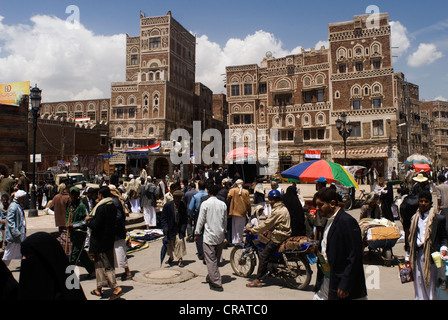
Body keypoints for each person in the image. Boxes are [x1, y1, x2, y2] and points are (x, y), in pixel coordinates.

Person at [313, 187, 367, 300]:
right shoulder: (328, 221)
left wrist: (345, 283)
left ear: (332, 203)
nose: (317, 208)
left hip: (342, 283)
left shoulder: (347, 222)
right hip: (327, 279)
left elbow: (355, 255)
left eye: (320, 205)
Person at [19, 232, 86, 300]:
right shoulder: (28, 287)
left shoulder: (70, 290)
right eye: (24, 257)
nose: (24, 261)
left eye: (28, 257)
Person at [246, 189, 291, 287]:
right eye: (269, 200)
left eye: (271, 200)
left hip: (278, 237)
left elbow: (266, 224)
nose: (270, 202)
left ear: (276, 200)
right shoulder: (284, 208)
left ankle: (258, 279)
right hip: (285, 234)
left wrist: (253, 230)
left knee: (263, 255)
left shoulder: (277, 211)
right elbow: (275, 223)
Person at [408, 190, 448, 300]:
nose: (423, 203)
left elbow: (444, 237)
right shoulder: (414, 218)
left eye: (426, 201)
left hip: (431, 256)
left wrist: (443, 248)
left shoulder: (438, 219)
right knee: (419, 282)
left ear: (430, 203)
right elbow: (412, 237)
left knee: (431, 284)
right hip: (417, 254)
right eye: (421, 201)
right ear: (418, 202)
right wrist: (408, 254)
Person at [85, 187, 123, 300]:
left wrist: (88, 220)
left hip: (100, 241)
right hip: (109, 239)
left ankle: (116, 288)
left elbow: (96, 225)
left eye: (98, 195)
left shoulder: (101, 208)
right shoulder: (112, 205)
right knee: (99, 265)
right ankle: (99, 288)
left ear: (101, 195)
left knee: (106, 265)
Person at [194, 184, 227, 292]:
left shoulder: (205, 204)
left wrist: (197, 233)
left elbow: (201, 220)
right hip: (219, 236)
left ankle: (216, 283)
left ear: (208, 192)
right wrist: (224, 232)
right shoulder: (222, 204)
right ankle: (211, 276)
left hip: (209, 236)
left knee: (211, 261)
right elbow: (225, 221)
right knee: (215, 259)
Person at [66, 187, 95, 278]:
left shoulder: (82, 206)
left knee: (74, 253)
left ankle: (69, 274)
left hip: (80, 232)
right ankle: (92, 270)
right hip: (73, 233)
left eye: (75, 194)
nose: (74, 196)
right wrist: (67, 223)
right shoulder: (70, 206)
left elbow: (86, 220)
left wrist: (74, 225)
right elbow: (67, 216)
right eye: (72, 194)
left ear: (78, 194)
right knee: (81, 253)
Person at [109, 185, 132, 281]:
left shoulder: (115, 201)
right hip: (117, 231)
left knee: (120, 252)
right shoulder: (115, 201)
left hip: (117, 232)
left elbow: (118, 217)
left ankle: (127, 272)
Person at [161, 190, 188, 267]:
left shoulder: (183, 205)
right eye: (177, 198)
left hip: (179, 229)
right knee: (169, 245)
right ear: (174, 198)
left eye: (180, 198)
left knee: (179, 243)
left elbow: (185, 218)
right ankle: (171, 257)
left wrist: (183, 228)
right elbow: (163, 218)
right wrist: (165, 227)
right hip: (170, 228)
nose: (178, 200)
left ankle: (180, 259)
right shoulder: (167, 206)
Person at [2, 190, 27, 267]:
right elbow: (10, 221)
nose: (24, 200)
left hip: (19, 234)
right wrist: (16, 232)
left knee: (22, 251)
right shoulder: (13, 206)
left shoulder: (18, 206)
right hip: (15, 235)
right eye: (23, 198)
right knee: (8, 253)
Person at [227, 179, 251, 245]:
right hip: (242, 212)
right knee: (241, 227)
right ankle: (239, 240)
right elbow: (248, 203)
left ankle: (235, 240)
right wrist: (249, 212)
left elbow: (228, 197)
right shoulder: (246, 192)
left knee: (235, 227)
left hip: (234, 211)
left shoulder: (232, 190)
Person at [189, 180, 208, 259]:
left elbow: (190, 208)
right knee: (206, 232)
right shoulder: (208, 195)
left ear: (198, 187)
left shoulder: (195, 196)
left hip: (198, 215)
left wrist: (191, 216)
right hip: (207, 215)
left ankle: (200, 252)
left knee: (198, 233)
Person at [50, 183, 71, 249]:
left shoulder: (56, 197)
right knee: (67, 237)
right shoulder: (68, 197)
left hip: (59, 221)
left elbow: (51, 207)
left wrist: (57, 211)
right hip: (68, 220)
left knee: (61, 235)